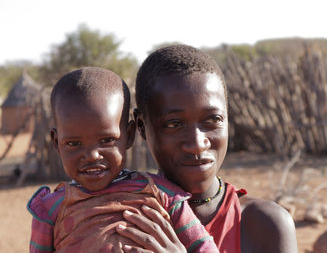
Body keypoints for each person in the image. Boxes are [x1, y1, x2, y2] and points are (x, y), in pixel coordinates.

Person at [115, 45, 298, 253]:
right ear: (141, 127)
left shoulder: (264, 225)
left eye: (213, 119)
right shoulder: (123, 222)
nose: (197, 143)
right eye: (174, 124)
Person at [27, 67, 219, 253]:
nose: (92, 155)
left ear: (129, 135)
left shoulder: (162, 194)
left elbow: (204, 247)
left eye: (107, 140)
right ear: (56, 142)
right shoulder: (51, 210)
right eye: (74, 143)